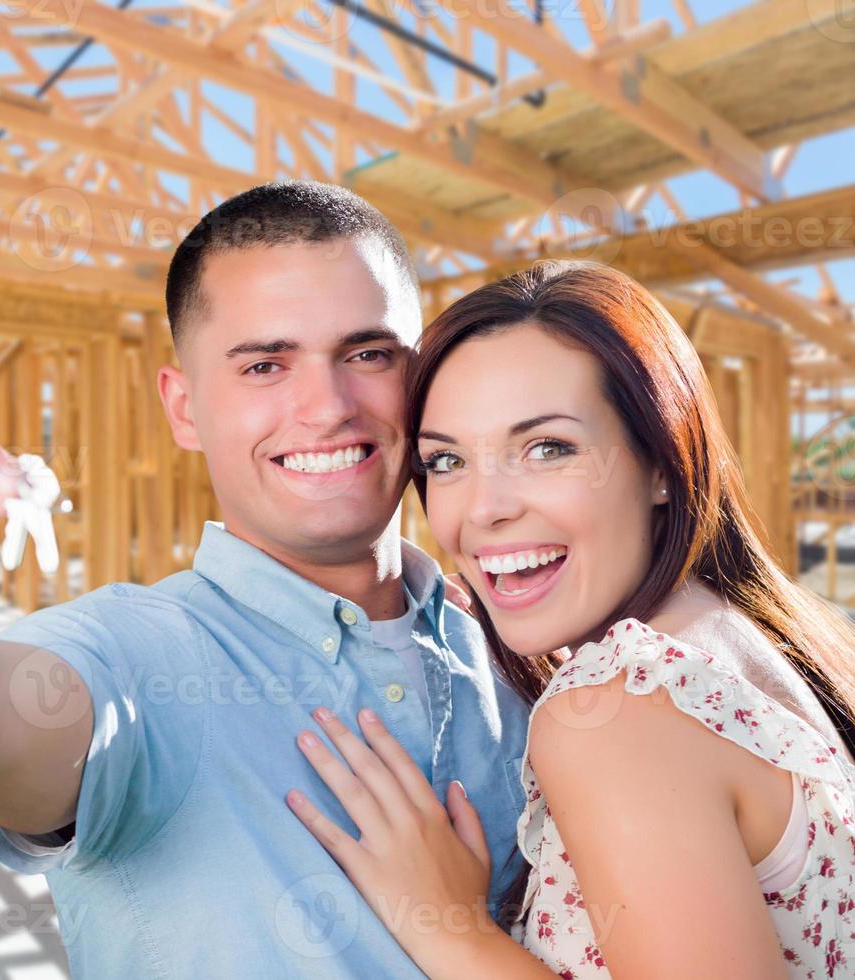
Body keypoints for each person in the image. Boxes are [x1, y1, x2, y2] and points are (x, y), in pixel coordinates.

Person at [0, 180, 531, 976]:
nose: (327, 406)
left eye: (369, 354)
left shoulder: (507, 638)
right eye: (265, 365)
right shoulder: (137, 654)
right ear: (183, 408)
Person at [285, 260, 855, 978]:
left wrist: (454, 932)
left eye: (547, 449)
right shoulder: (744, 635)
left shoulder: (616, 711)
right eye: (448, 461)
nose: (483, 509)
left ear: (661, 462)